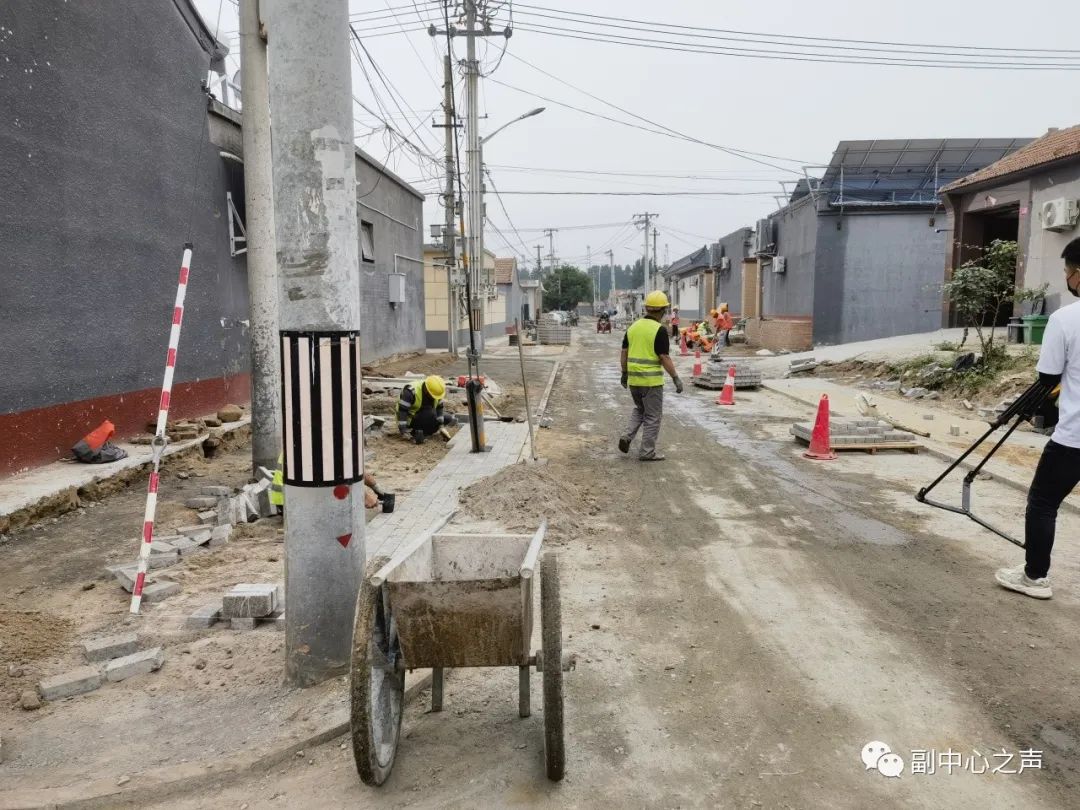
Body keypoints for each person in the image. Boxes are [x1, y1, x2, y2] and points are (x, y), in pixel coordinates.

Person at [996, 237, 1080, 600]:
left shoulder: (1065, 320)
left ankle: (1034, 576)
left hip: (1074, 439)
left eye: (1067, 271)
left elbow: (1048, 379)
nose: (1066, 277)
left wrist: (1016, 412)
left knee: (1043, 502)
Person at [618, 290, 684, 461]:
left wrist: (624, 374)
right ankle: (647, 452)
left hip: (634, 381)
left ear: (647, 308)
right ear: (662, 310)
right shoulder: (659, 330)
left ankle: (627, 436)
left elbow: (624, 352)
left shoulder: (633, 327)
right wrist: (675, 378)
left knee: (640, 409)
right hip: (651, 382)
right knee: (653, 416)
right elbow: (664, 357)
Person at [397, 375, 454, 444]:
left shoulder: (435, 392)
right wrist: (404, 431)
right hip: (410, 419)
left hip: (425, 415)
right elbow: (402, 411)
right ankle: (415, 432)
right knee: (430, 414)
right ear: (427, 390)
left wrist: (441, 427)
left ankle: (422, 432)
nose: (434, 398)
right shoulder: (411, 392)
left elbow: (439, 408)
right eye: (433, 396)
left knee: (448, 418)